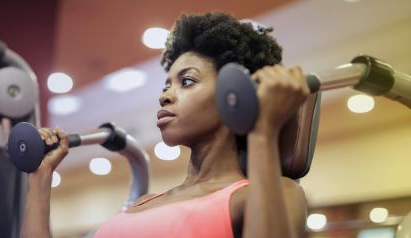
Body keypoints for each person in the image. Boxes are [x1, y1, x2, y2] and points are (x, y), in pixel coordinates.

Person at [21, 12, 310, 238]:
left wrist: (262, 130)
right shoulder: (141, 203)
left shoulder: (267, 194)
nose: (164, 95)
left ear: (232, 94)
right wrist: (40, 178)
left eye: (187, 81)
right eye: (166, 84)